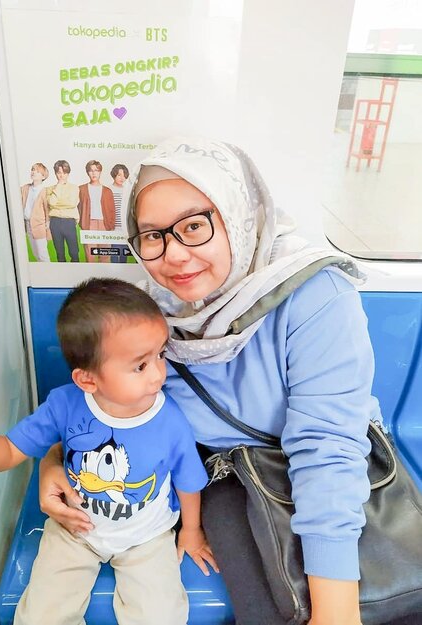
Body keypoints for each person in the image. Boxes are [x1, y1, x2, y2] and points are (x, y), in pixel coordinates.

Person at [39, 137, 422, 625]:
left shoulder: (314, 293)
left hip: (332, 476)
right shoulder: (143, 313)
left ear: (239, 218)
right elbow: (107, 402)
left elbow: (327, 447)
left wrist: (335, 613)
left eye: (194, 226)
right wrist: (57, 461)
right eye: (152, 235)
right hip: (224, 478)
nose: (173, 256)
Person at [0, 278, 217, 625]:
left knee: (161, 616)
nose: (158, 374)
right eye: (140, 365)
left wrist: (191, 530)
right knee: (40, 618)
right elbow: (6, 452)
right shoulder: (64, 405)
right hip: (74, 532)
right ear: (87, 380)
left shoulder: (170, 418)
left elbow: (189, 480)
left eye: (160, 354)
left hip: (147, 537)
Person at [78, 160, 115, 263]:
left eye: (96, 170)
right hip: (89, 224)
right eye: (91, 170)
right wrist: (82, 222)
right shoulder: (81, 189)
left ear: (100, 172)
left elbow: (112, 210)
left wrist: (110, 226)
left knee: (105, 255)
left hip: (105, 224)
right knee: (90, 256)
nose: (94, 173)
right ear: (87, 172)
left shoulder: (107, 191)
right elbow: (77, 207)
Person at [46, 159, 80, 262]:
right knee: (59, 253)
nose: (62, 175)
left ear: (68, 173)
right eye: (59, 173)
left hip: (69, 222)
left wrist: (57, 204)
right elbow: (51, 203)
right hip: (55, 222)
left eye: (64, 173)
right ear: (55, 174)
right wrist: (59, 186)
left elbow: (72, 203)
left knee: (74, 252)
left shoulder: (74, 188)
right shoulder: (50, 188)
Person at [20, 162, 51, 262]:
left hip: (39, 226)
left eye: (37, 171)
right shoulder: (25, 188)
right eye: (33, 169)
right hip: (27, 224)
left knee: (42, 255)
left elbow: (47, 210)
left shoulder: (45, 191)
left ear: (43, 176)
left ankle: (49, 274)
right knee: (35, 254)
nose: (33, 172)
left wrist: (47, 225)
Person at [109, 163, 130, 264]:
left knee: (123, 254)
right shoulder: (108, 190)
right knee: (114, 253)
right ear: (114, 175)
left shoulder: (127, 190)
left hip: (124, 228)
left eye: (124, 175)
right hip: (113, 228)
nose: (122, 178)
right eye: (119, 175)